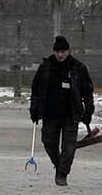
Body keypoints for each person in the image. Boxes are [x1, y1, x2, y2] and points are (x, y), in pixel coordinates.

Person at [27, 37, 96, 185]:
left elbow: (87, 91)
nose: (60, 55)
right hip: (50, 113)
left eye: (63, 52)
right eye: (57, 52)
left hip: (71, 113)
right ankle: (59, 165)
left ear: (68, 51)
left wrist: (88, 110)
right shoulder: (45, 67)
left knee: (69, 146)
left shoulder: (78, 67)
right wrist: (34, 109)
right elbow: (36, 89)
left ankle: (62, 174)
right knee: (48, 142)